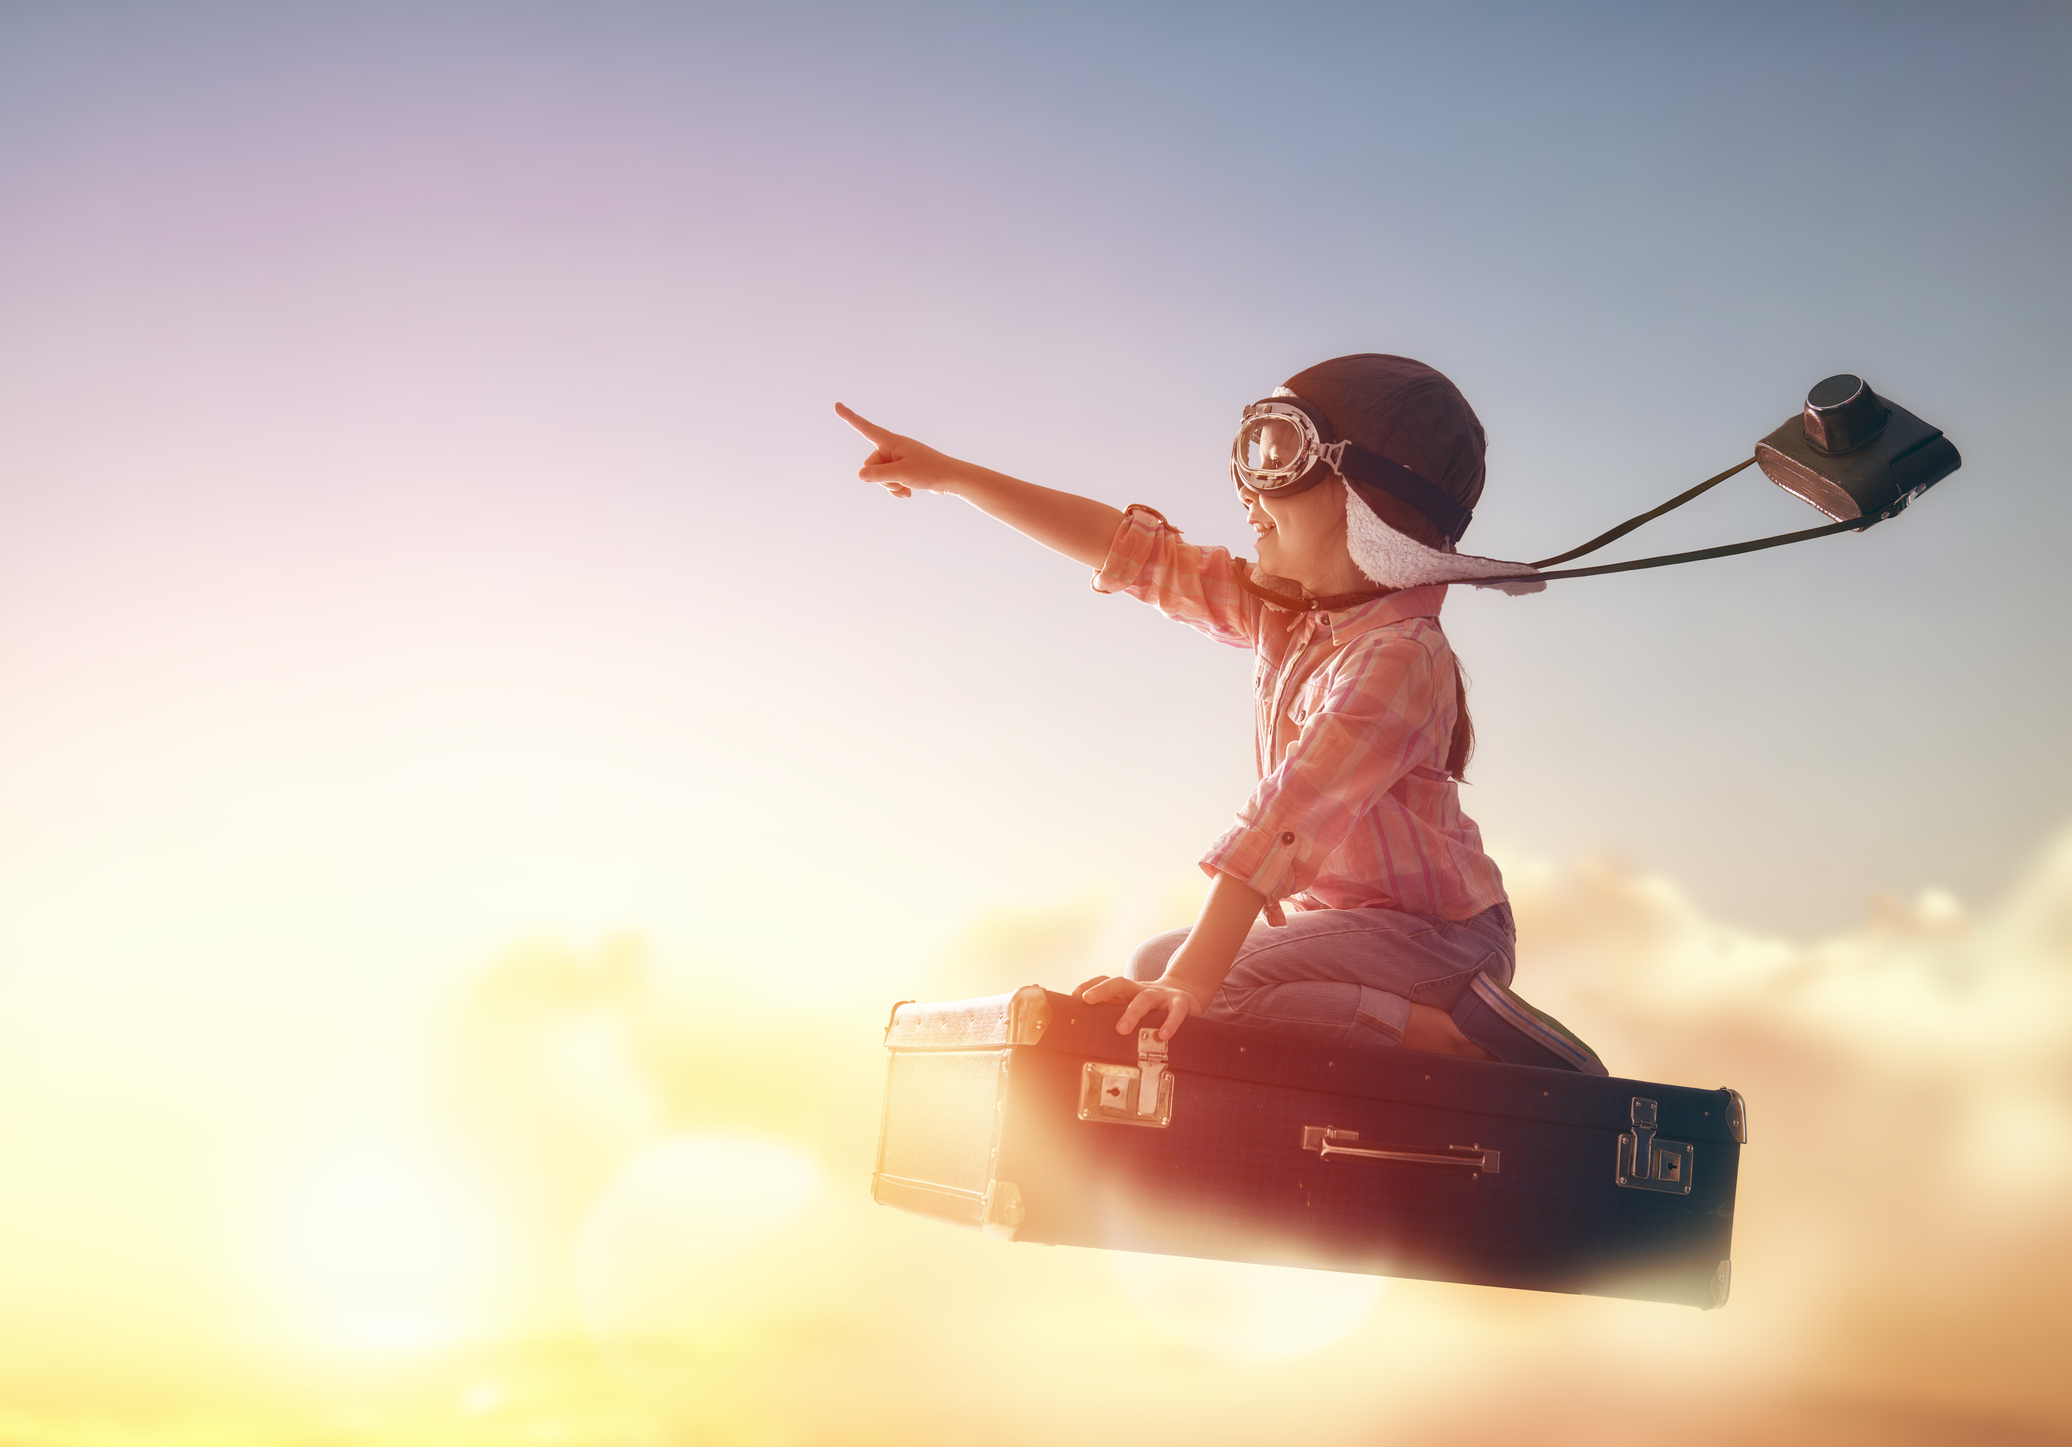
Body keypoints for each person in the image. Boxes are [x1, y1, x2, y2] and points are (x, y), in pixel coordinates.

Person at [836, 354, 1603, 1074]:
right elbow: (1134, 554)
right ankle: (1412, 1025)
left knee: (1196, 983)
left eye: (1278, 453)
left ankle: (1461, 1035)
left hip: (1437, 939)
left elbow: (1285, 814)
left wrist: (1191, 981)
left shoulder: (1400, 657)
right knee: (1160, 967)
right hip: (1355, 927)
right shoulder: (1286, 615)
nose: (1245, 487)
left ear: (1364, 500)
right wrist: (953, 475)